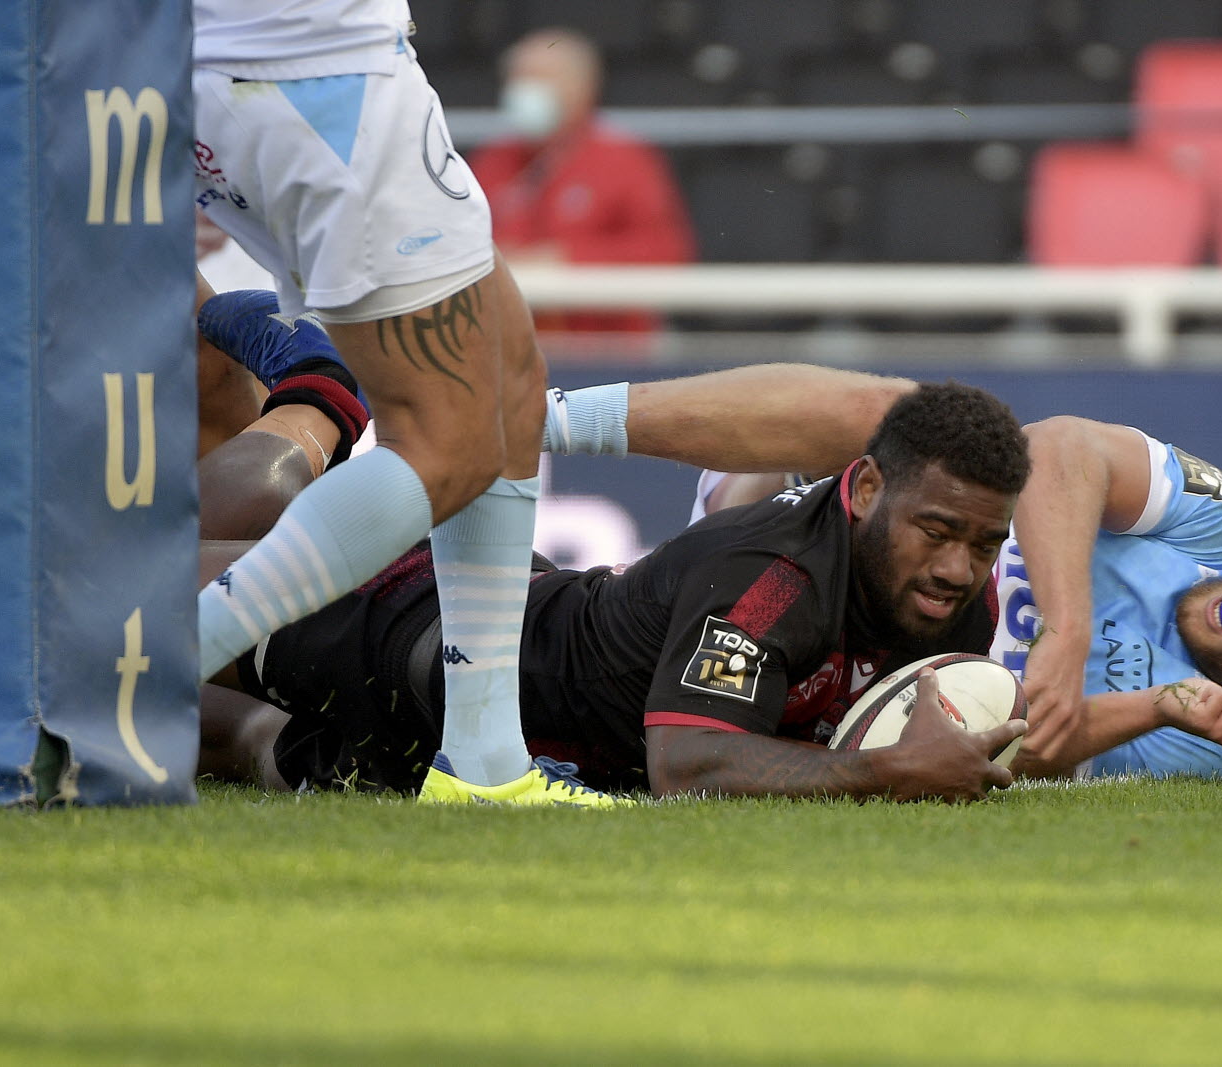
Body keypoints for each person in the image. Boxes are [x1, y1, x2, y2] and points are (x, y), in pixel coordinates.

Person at [200, 378, 1032, 802]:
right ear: (866, 489)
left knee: (244, 747)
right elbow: (688, 762)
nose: (959, 569)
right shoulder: (777, 580)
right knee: (142, 613)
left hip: (495, 744)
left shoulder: (956, 601)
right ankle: (315, 395)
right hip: (427, 637)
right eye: (937, 531)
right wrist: (888, 771)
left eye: (984, 543)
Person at [190, 2, 574, 805]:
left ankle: (484, 761)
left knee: (509, 377)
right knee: (453, 447)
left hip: (272, 67)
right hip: (313, 65)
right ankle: (130, 666)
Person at [670, 397, 1222, 780]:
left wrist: (1160, 704)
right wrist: (1065, 630)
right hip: (838, 545)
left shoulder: (1219, 738)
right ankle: (627, 434)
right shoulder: (1216, 521)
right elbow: (1056, 444)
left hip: (854, 667)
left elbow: (1016, 758)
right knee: (894, 410)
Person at [468, 27, 696, 334]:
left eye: (540, 78)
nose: (524, 89)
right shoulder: (493, 158)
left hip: (604, 345)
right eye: (518, 79)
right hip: (509, 343)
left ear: (583, 87)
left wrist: (567, 259)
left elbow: (665, 251)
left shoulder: (624, 158)